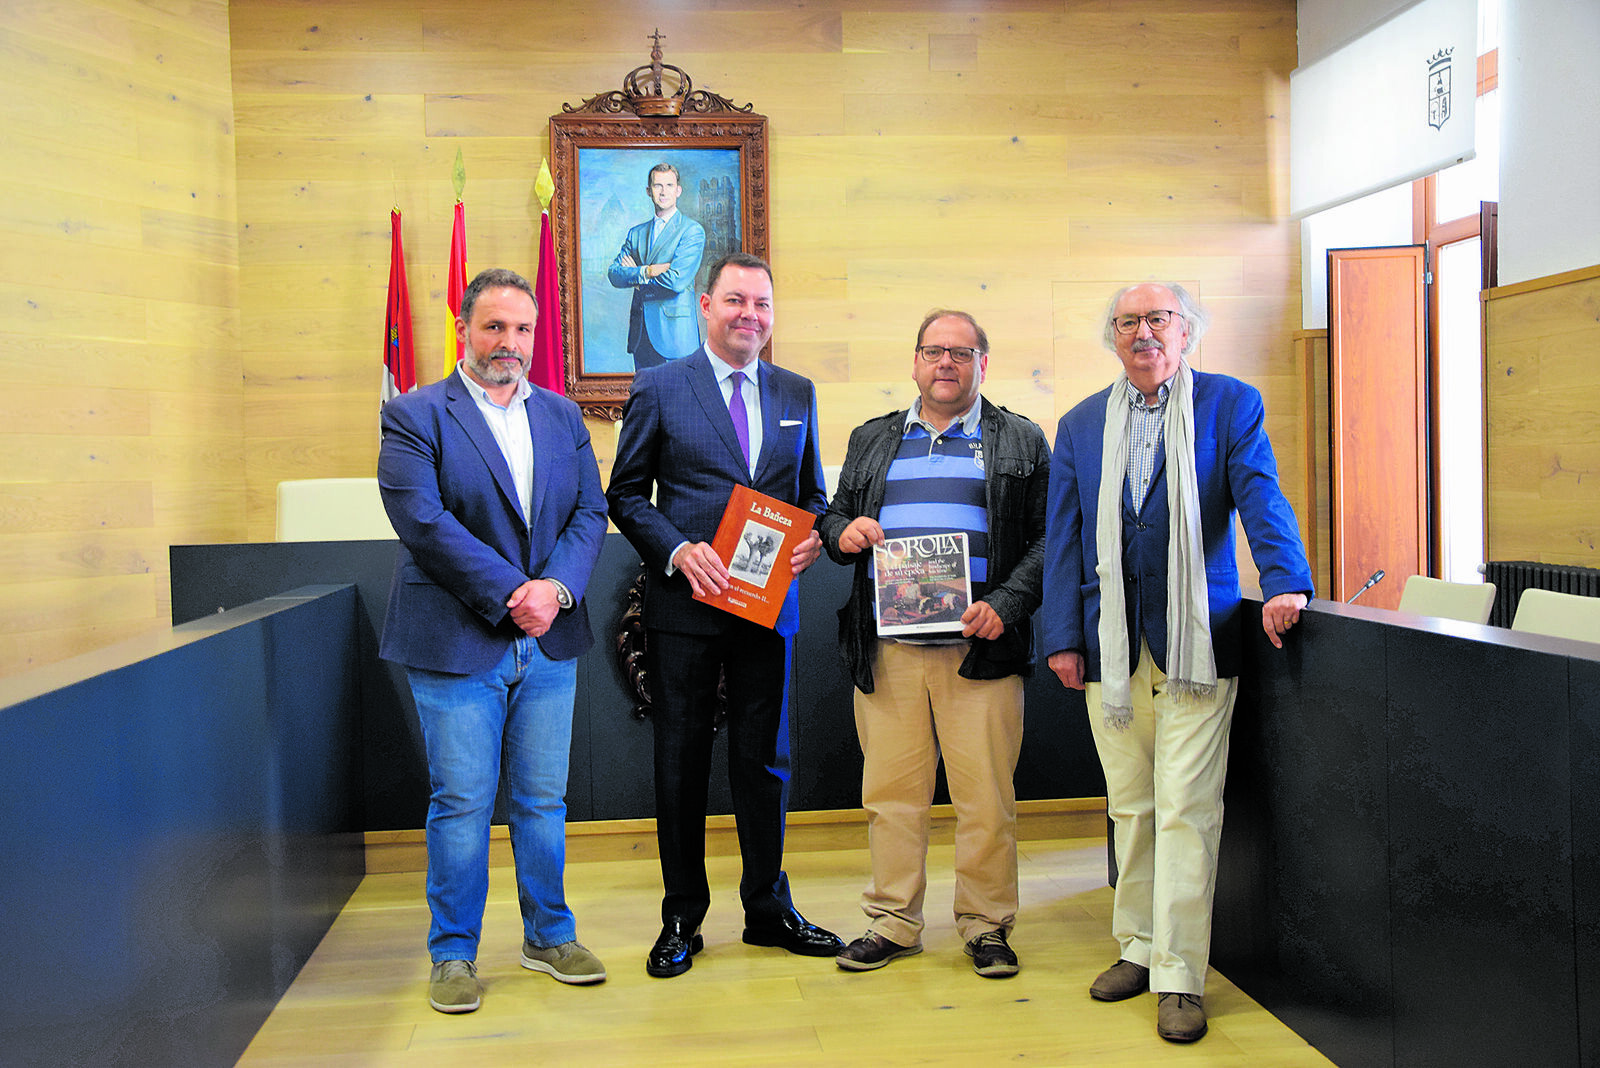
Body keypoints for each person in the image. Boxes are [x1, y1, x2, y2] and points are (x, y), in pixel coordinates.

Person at [1040, 283, 1313, 1042]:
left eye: (1158, 319)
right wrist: (1063, 635)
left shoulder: (1231, 405)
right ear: (1113, 338)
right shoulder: (1081, 423)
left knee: (1188, 811)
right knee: (1130, 808)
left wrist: (1285, 579)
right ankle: (1136, 947)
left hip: (1199, 646)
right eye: (1127, 322)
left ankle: (1181, 975)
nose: (1143, 333)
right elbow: (1064, 539)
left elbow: (1262, 496)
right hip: (1109, 650)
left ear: (1187, 330)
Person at [377, 267, 609, 1014]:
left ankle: (548, 934)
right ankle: (453, 954)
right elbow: (423, 522)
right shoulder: (414, 414)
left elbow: (588, 515)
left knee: (543, 801)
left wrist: (556, 591)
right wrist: (514, 593)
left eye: (522, 330)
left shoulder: (563, 416)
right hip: (455, 638)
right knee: (462, 802)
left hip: (548, 639)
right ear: (464, 331)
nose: (509, 343)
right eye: (494, 327)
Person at [607, 251, 843, 978]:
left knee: (764, 761)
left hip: (767, 610)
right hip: (685, 607)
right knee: (680, 762)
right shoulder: (659, 387)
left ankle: (768, 908)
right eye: (737, 301)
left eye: (763, 305)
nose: (751, 315)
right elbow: (624, 495)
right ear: (705, 306)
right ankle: (682, 915)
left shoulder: (796, 391)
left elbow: (814, 498)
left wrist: (811, 535)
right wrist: (677, 549)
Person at [818, 310, 1050, 979]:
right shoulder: (872, 438)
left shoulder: (1022, 441)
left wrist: (1004, 605)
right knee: (891, 795)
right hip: (888, 648)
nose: (944, 362)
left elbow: (1049, 539)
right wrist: (843, 533)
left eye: (960, 351)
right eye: (932, 350)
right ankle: (893, 922)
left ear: (983, 362)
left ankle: (986, 926)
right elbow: (832, 518)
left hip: (982, 648)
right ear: (914, 361)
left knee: (985, 799)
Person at [607, 162, 707, 370]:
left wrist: (636, 280)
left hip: (675, 339)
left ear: (678, 191)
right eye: (657, 185)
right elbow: (615, 274)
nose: (663, 192)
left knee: (678, 402)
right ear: (648, 191)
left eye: (669, 185)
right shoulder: (636, 233)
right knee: (646, 402)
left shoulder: (692, 231)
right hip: (640, 336)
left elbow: (676, 281)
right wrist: (648, 271)